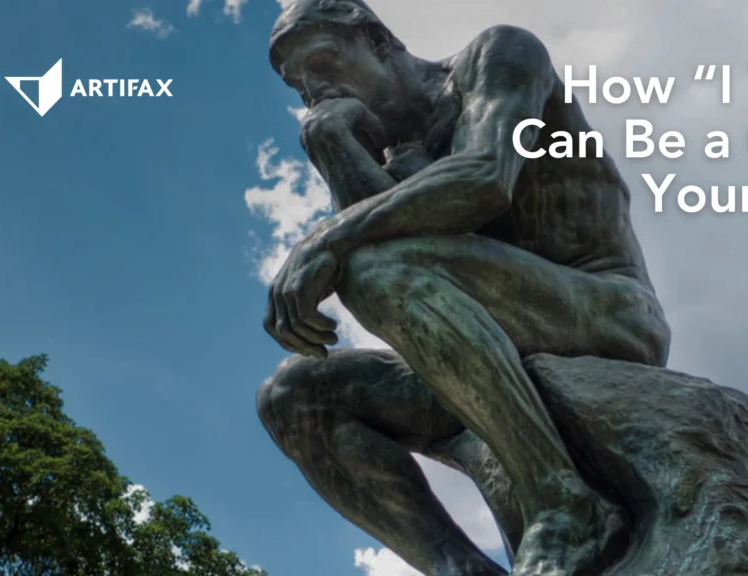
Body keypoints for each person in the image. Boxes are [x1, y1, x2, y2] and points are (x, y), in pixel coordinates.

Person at [256, 1, 671, 574]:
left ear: (377, 40)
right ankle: (460, 569)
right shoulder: (373, 147)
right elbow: (377, 249)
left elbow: (484, 177)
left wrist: (327, 239)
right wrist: (331, 144)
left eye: (322, 62)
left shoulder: (497, 56)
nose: (312, 88)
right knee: (294, 396)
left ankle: (565, 504)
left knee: (373, 267)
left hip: (601, 310)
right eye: (296, 82)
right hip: (485, 347)